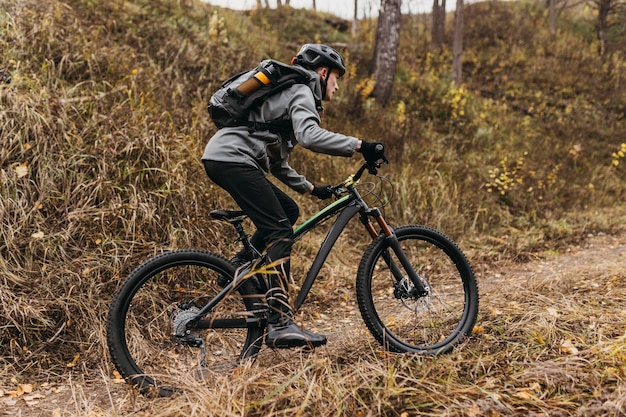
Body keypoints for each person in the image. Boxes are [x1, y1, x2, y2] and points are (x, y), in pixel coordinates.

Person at [202, 43, 383, 349]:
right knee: (279, 230)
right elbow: (310, 136)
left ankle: (236, 269)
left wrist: (313, 189)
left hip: (225, 159)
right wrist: (360, 145)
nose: (337, 87)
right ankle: (280, 322)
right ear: (322, 73)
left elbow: (277, 163)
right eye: (337, 78)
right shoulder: (301, 90)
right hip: (232, 160)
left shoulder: (284, 98)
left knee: (288, 211)